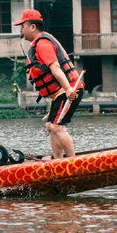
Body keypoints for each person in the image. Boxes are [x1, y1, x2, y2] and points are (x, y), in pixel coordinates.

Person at [15, 9, 82, 159]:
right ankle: (58, 160)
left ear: (33, 27)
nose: (21, 30)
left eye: (23, 26)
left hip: (70, 89)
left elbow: (55, 68)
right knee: (50, 127)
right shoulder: (37, 44)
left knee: (57, 127)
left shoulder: (43, 44)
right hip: (60, 93)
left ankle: (73, 161)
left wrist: (68, 89)